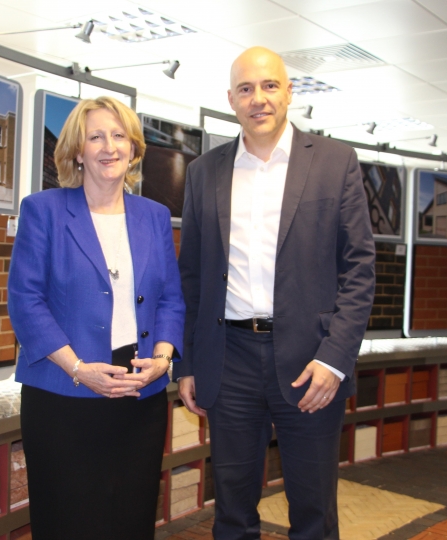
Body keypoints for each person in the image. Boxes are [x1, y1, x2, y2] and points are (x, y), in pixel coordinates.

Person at [175, 47, 376, 540]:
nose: (258, 98)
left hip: (311, 362)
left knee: (312, 510)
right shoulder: (205, 172)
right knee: (232, 510)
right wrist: (189, 363)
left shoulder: (335, 162)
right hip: (230, 361)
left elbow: (360, 268)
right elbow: (193, 276)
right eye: (245, 89)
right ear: (231, 99)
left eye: (268, 86)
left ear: (289, 92)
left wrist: (334, 359)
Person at [7, 96, 185, 540]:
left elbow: (171, 300)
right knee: (69, 521)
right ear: (77, 151)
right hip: (63, 395)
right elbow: (25, 301)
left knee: (131, 518)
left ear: (134, 148)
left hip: (139, 396)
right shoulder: (43, 210)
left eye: (119, 135)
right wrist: (79, 370)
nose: (109, 147)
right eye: (96, 136)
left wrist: (162, 362)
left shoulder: (155, 217)